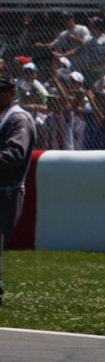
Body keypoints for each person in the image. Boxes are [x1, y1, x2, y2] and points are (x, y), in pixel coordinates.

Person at [0, 76, 36, 307]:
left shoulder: (18, 119)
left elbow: (15, 153)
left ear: (12, 92)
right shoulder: (4, 118)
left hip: (6, 191)